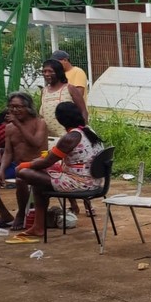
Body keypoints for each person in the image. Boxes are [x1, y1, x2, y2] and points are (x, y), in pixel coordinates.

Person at [8, 102, 104, 243]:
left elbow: (47, 162)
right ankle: (38, 226)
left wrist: (23, 165)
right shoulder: (88, 131)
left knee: (25, 173)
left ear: (59, 120)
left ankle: (37, 225)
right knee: (39, 182)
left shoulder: (71, 138)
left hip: (81, 183)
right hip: (94, 181)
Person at [0, 94, 46, 231]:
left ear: (28, 107)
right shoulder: (9, 127)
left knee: (21, 178)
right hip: (16, 165)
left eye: (18, 107)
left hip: (36, 165)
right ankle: (5, 214)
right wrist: (1, 170)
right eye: (11, 107)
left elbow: (36, 143)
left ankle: (21, 214)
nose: (14, 110)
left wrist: (18, 125)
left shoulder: (39, 123)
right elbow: (8, 152)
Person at [40, 59, 88, 216]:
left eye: (50, 71)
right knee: (59, 171)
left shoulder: (69, 88)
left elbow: (83, 111)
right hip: (52, 138)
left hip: (69, 137)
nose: (47, 74)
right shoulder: (44, 91)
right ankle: (73, 205)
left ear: (58, 72)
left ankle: (88, 205)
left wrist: (83, 131)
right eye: (44, 71)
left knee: (74, 172)